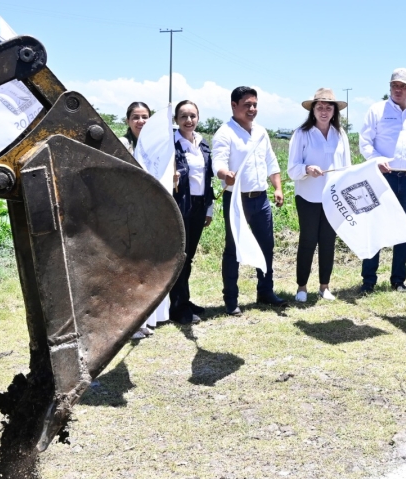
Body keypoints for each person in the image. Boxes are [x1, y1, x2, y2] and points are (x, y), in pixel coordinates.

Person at [358, 68, 406, 293]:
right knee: (375, 226)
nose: (397, 89)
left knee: (404, 229)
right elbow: (365, 142)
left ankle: (398, 280)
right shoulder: (377, 110)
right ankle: (368, 280)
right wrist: (377, 160)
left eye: (402, 86)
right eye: (394, 85)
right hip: (383, 176)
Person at [212, 86, 285, 315]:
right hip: (236, 200)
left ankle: (265, 292)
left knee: (267, 246)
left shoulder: (261, 132)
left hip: (260, 199)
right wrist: (226, 175)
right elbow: (218, 163)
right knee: (233, 249)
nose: (252, 109)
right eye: (247, 105)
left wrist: (278, 188)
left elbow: (271, 162)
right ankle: (231, 300)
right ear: (234, 106)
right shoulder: (225, 133)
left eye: (255, 105)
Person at [287, 88, 352, 302]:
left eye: (328, 107)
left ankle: (324, 286)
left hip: (332, 197)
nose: (324, 111)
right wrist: (307, 169)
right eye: (320, 107)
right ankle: (302, 287)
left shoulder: (340, 134)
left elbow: (347, 167)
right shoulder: (302, 133)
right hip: (308, 196)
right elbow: (292, 169)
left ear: (334, 111)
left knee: (328, 241)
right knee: (308, 240)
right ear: (312, 110)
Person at [169, 100, 214, 324]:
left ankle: (184, 300)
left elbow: (208, 178)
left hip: (198, 205)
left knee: (190, 257)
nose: (188, 121)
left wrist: (209, 207)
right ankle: (178, 307)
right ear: (176, 120)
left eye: (192, 116)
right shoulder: (171, 144)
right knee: (181, 256)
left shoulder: (202, 144)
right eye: (183, 116)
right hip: (180, 205)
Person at [120, 101, 160, 339]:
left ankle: (142, 319)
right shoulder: (123, 144)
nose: (141, 122)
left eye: (145, 117)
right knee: (130, 267)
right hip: (128, 212)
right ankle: (129, 323)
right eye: (136, 117)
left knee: (145, 267)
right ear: (128, 121)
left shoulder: (155, 145)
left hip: (150, 211)